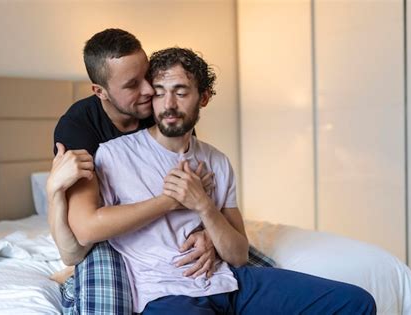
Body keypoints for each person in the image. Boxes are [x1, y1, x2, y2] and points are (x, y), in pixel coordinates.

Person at [66, 47, 376, 314]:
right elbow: (86, 228)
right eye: (159, 92)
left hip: (230, 282)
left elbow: (239, 253)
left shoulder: (216, 160)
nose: (169, 104)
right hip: (167, 293)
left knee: (356, 303)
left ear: (204, 98)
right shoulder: (112, 156)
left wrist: (203, 205)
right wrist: (170, 200)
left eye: (181, 92)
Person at [47, 29, 273, 314]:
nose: (149, 91)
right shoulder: (79, 128)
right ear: (100, 91)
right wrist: (172, 201)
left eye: (147, 76)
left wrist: (205, 228)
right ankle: (71, 287)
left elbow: (193, 193)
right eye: (132, 85)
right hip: (107, 240)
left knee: (261, 267)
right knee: (106, 296)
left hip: (170, 238)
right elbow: (82, 235)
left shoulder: (163, 112)